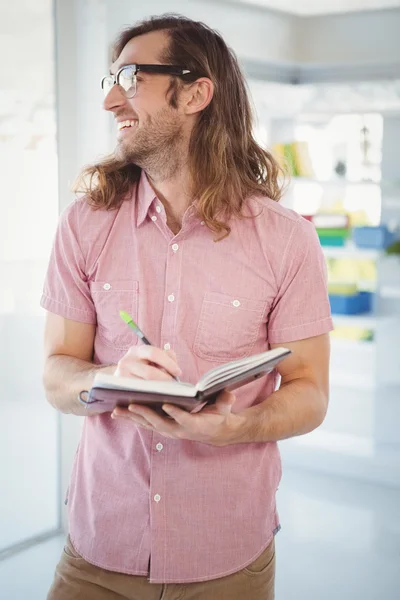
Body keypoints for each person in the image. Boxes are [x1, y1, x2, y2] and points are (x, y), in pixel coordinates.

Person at [42, 14, 333, 600]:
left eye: (130, 77)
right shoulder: (84, 226)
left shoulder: (287, 240)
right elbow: (56, 373)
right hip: (100, 550)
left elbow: (310, 391)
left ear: (197, 91)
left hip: (226, 555)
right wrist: (104, 377)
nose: (111, 100)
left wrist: (235, 427)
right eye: (109, 79)